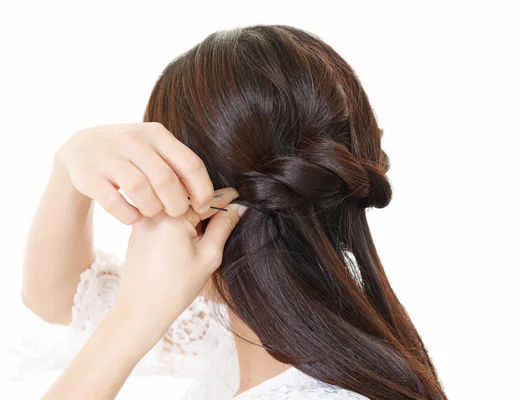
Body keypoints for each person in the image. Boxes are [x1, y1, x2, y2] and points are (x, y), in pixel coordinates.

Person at [22, 25, 447, 399]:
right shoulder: (261, 334)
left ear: (205, 203)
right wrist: (69, 164)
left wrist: (133, 322)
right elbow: (58, 298)